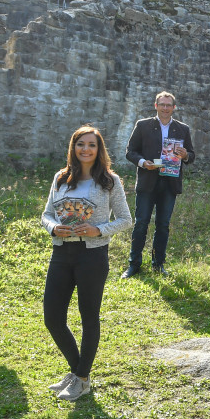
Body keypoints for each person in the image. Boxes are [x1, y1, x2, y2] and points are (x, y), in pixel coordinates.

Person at [41, 126, 133, 401]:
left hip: (92, 255)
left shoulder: (109, 181)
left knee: (88, 317)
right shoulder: (61, 178)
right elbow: (46, 214)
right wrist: (53, 228)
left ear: (99, 149)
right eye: (81, 144)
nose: (86, 149)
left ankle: (82, 378)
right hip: (61, 252)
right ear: (73, 147)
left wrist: (98, 230)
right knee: (52, 317)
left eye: (91, 145)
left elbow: (126, 220)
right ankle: (77, 371)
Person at [123, 91, 195, 277]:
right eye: (162, 104)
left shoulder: (183, 129)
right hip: (148, 181)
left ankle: (158, 264)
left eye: (168, 105)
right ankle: (134, 264)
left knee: (163, 225)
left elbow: (191, 156)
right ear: (156, 106)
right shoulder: (143, 125)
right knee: (141, 223)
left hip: (169, 184)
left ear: (174, 108)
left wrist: (185, 155)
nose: (165, 108)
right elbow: (130, 151)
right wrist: (143, 163)